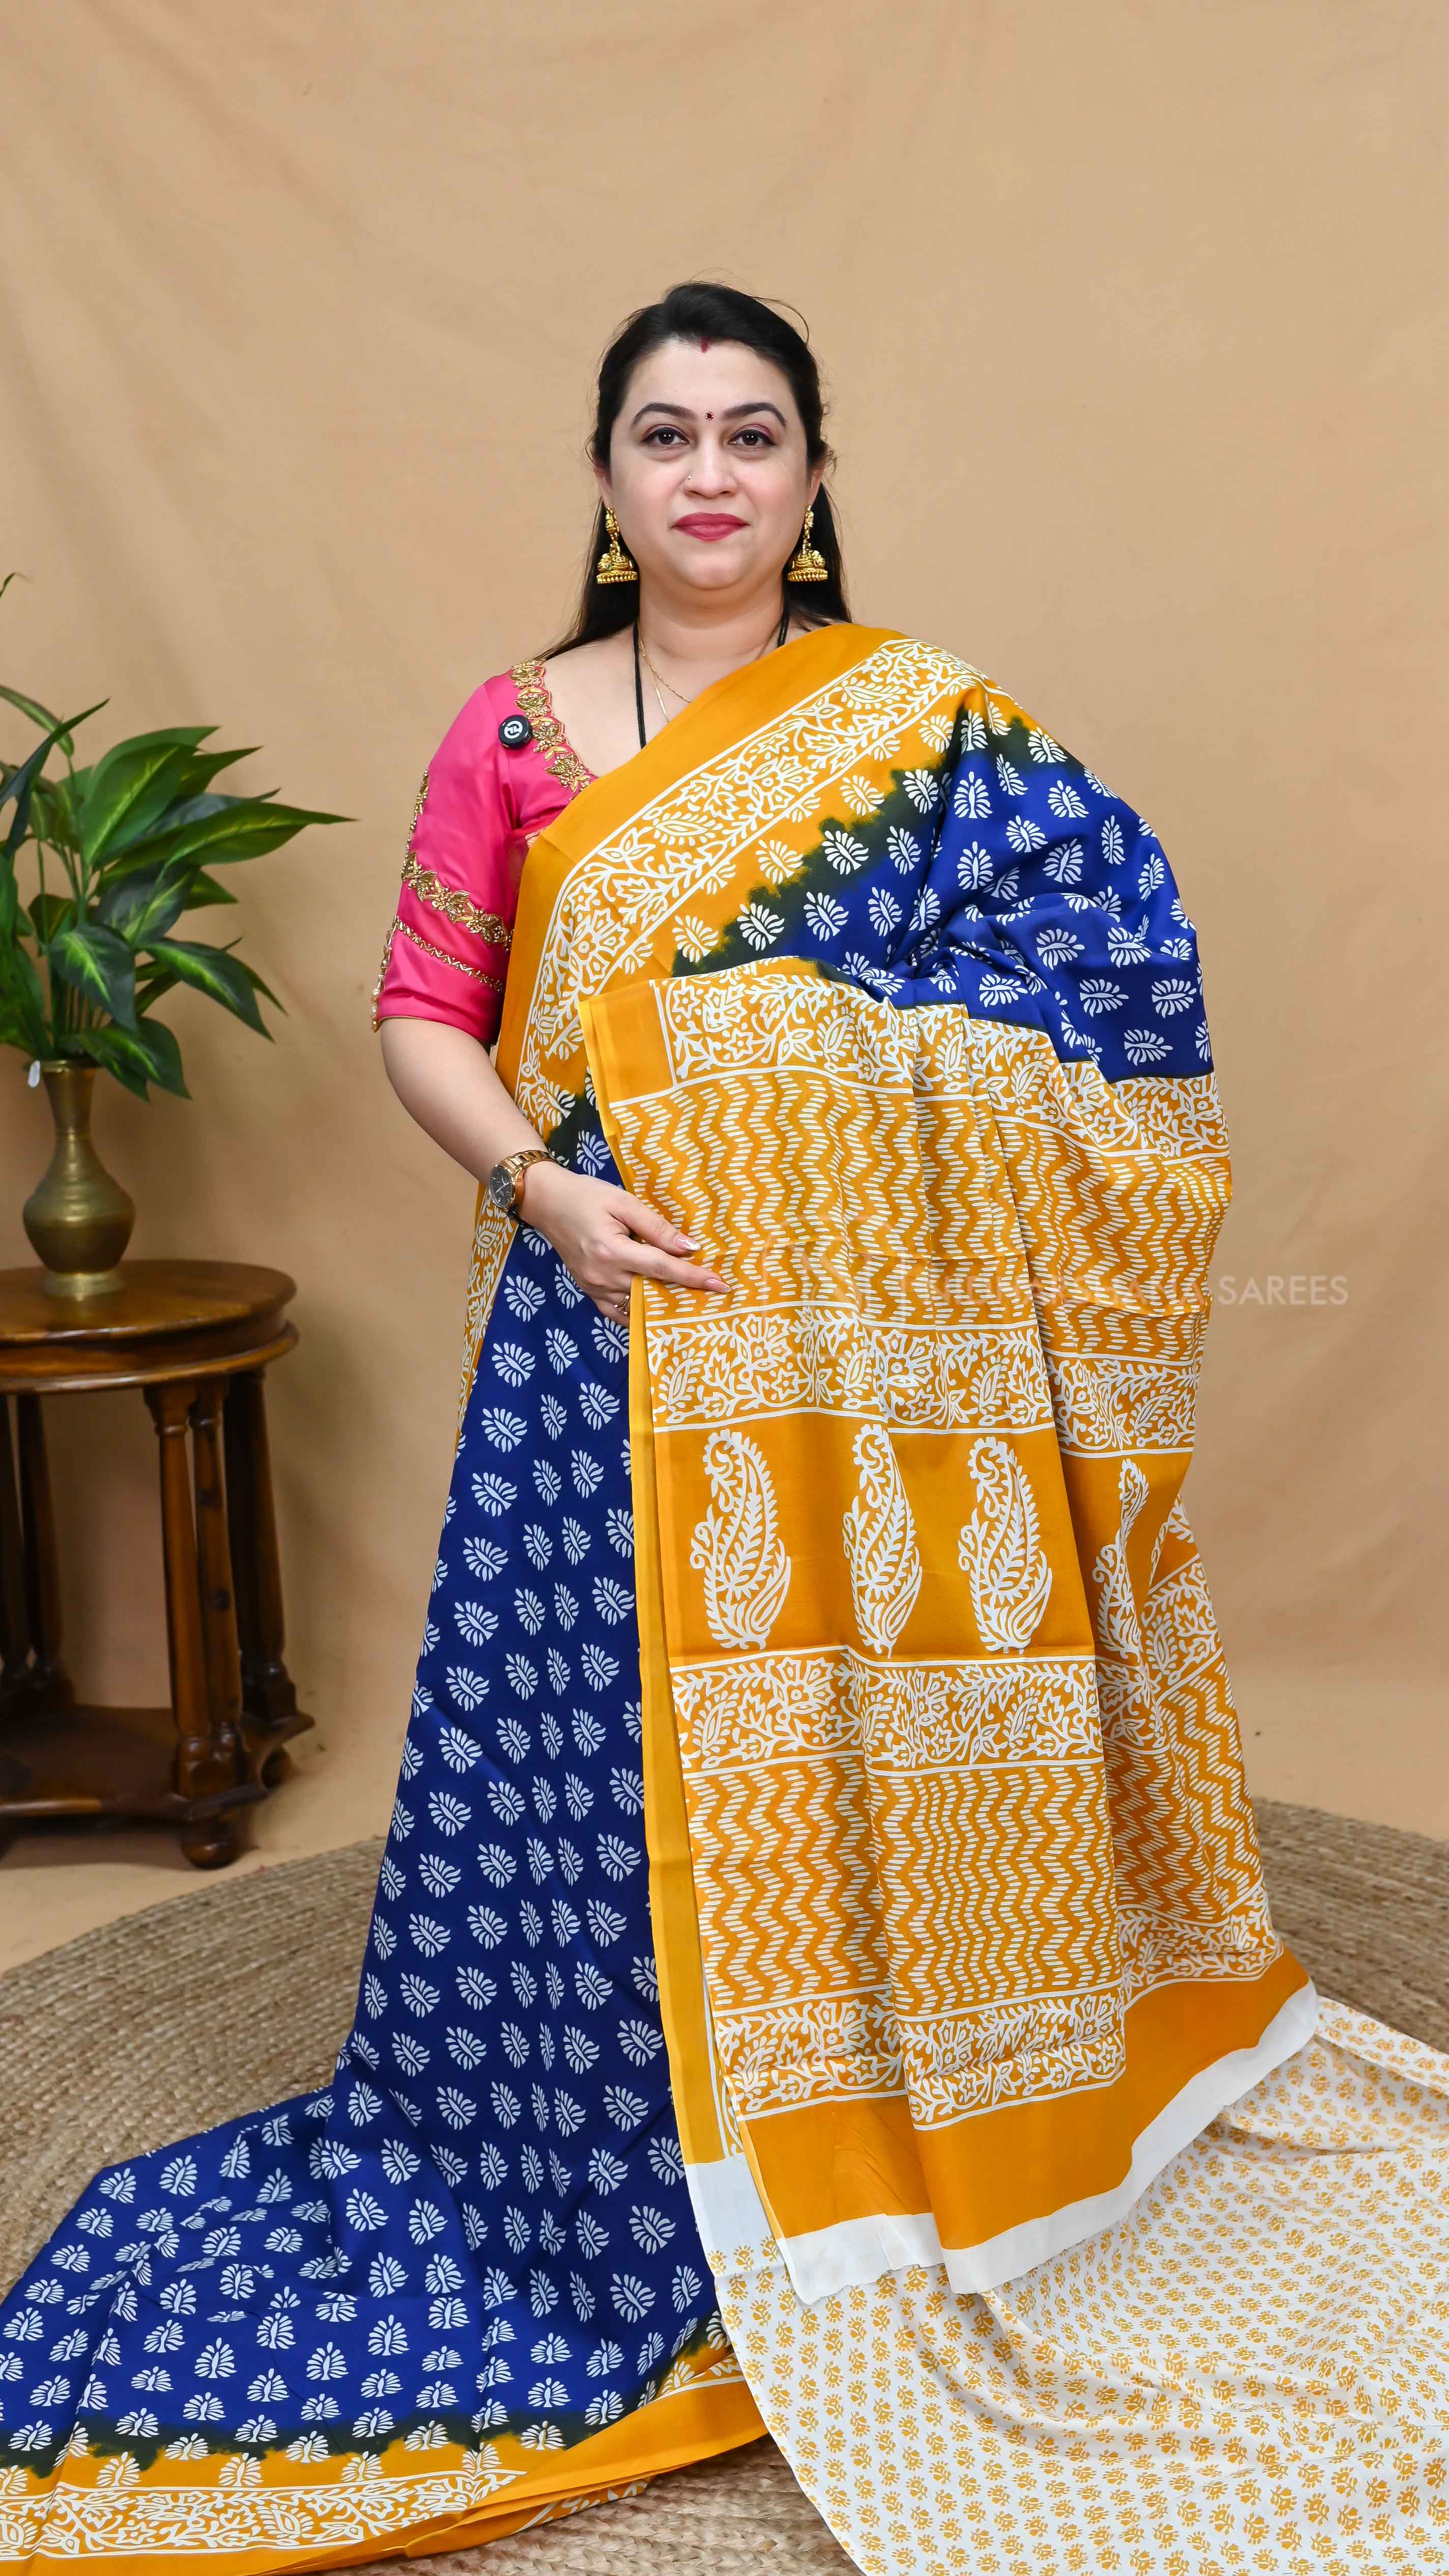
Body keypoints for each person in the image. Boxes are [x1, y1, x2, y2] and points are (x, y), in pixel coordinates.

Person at [4, 282, 1447, 2575]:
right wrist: (544, 1186)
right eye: (663, 434)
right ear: (604, 477)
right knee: (593, 1772)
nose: (707, 474)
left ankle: (863, 2152)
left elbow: (1114, 977)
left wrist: (801, 1070)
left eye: (750, 434)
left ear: (811, 474)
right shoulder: (516, 731)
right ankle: (603, 2187)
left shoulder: (921, 731)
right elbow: (422, 1010)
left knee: (843, 1762)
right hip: (596, 1329)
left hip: (856, 1361)